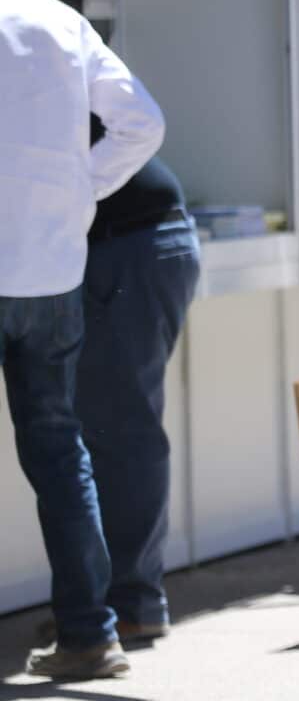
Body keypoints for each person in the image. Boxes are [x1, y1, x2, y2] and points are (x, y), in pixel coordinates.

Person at [1, 0, 165, 680]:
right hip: (49, 268)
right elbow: (143, 124)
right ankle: (89, 632)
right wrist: (80, 189)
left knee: (61, 450)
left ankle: (91, 631)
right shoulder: (57, 20)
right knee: (60, 449)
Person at [73, 145, 199, 643]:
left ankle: (131, 604)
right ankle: (118, 601)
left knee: (121, 431)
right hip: (144, 236)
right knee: (117, 426)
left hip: (128, 242)